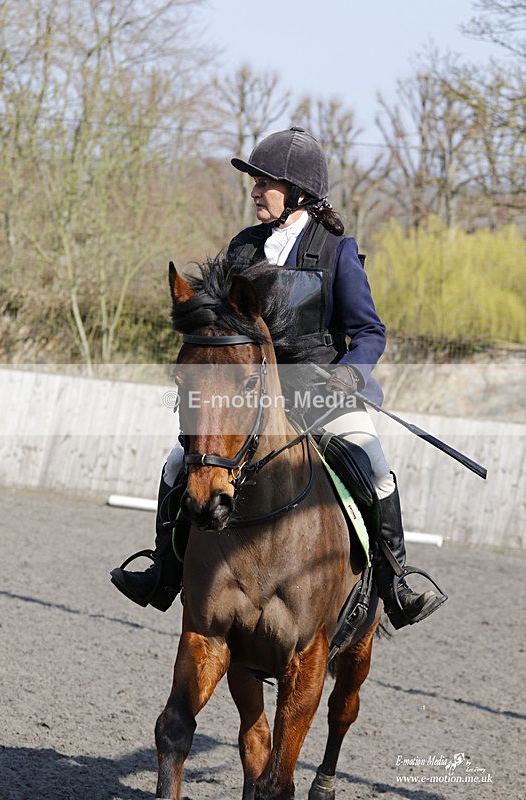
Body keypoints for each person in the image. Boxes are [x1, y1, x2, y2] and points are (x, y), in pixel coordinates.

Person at [111, 126, 447, 629]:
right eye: (254, 181)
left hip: (320, 395)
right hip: (252, 398)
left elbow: (370, 331)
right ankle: (163, 570)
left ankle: (395, 581)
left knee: (371, 460)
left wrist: (350, 375)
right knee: (180, 459)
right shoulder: (243, 248)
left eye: (263, 181)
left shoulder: (336, 251)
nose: (254, 191)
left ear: (298, 192)